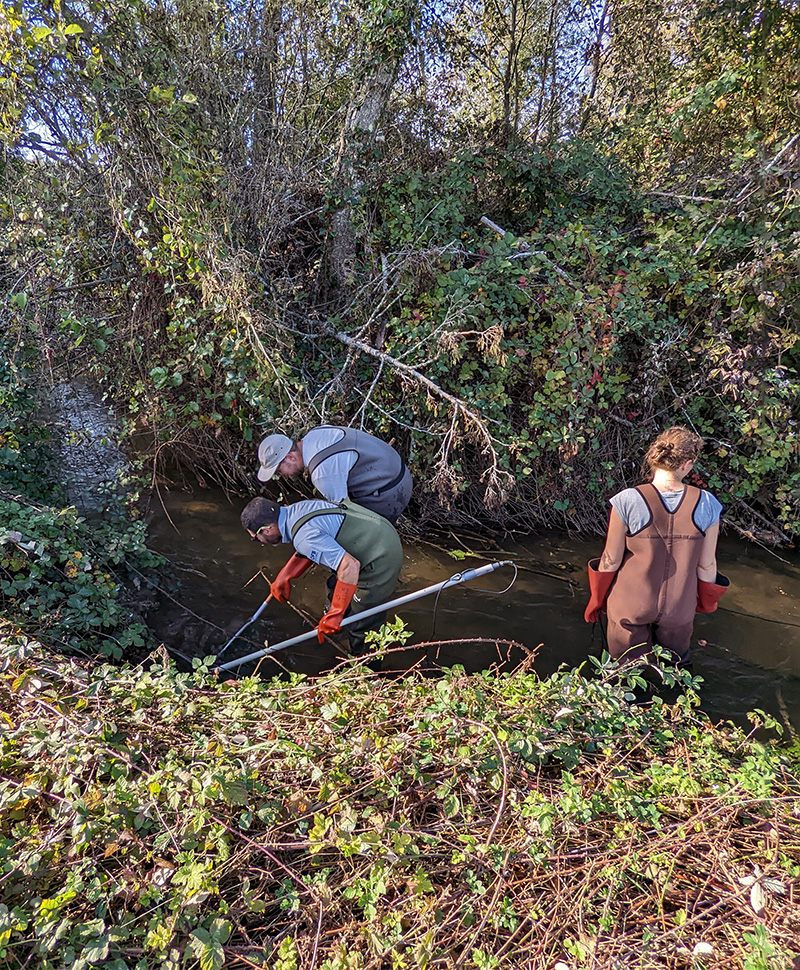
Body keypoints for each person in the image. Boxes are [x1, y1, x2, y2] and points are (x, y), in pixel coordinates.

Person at [583, 426, 729, 664]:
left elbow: (610, 559)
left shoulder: (627, 500)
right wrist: (706, 603)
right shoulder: (707, 503)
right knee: (676, 676)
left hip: (630, 605)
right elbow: (707, 565)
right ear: (686, 464)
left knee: (624, 674)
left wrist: (597, 600)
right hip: (679, 609)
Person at [241, 495, 403, 655]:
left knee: (362, 625)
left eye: (255, 538)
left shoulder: (304, 537)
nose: (260, 542)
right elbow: (315, 542)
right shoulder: (298, 510)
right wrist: (286, 575)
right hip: (378, 530)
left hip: (382, 556)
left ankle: (365, 668)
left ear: (267, 530)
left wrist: (336, 613)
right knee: (334, 586)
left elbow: (349, 566)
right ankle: (338, 627)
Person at [256, 425, 412, 525]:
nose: (281, 475)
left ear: (290, 457)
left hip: (391, 492)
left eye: (278, 470)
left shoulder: (321, 473)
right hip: (400, 471)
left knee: (354, 540)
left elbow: (344, 515)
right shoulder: (316, 433)